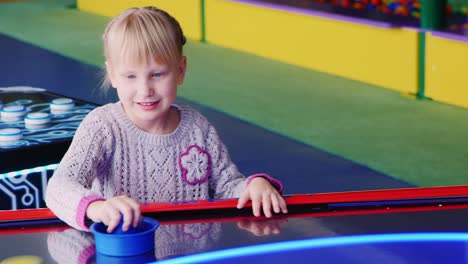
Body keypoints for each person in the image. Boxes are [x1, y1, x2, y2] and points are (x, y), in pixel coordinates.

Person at [45, 6, 287, 233]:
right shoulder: (103, 126)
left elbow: (227, 186)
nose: (145, 89)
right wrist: (96, 207)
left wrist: (253, 186)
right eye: (130, 76)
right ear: (112, 75)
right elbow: (60, 186)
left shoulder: (198, 128)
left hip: (190, 254)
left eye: (157, 74)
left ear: (180, 70)